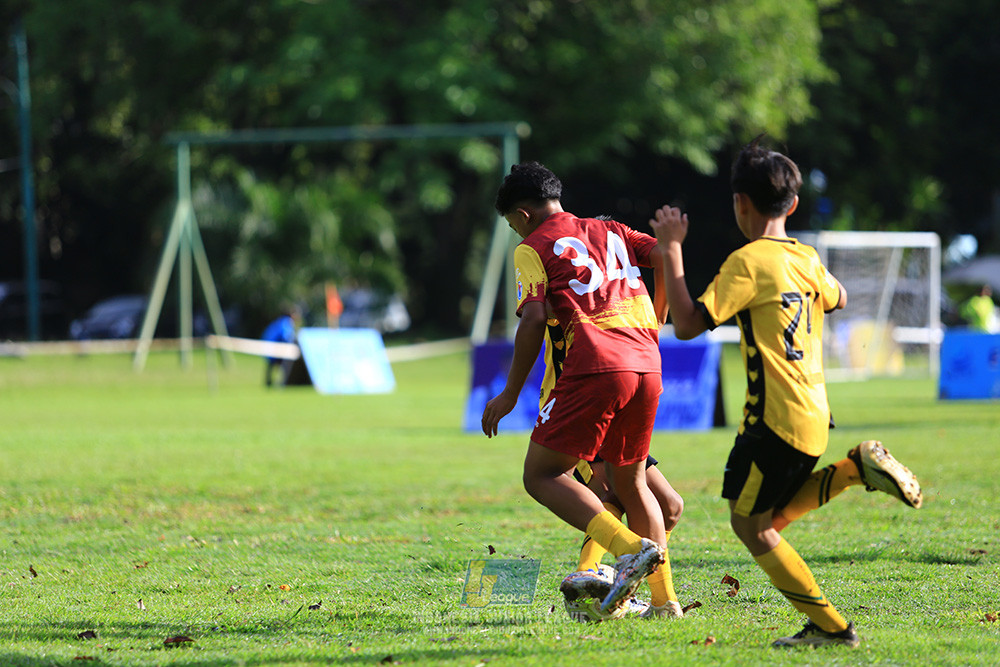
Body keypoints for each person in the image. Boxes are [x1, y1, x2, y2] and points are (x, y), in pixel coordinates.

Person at [649, 136, 923, 648]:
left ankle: (832, 628)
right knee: (765, 520)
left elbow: (685, 324)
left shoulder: (748, 262)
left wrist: (671, 248)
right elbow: (838, 297)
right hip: (816, 415)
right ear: (793, 205)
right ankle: (850, 471)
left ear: (739, 204)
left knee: (751, 528)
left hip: (773, 421)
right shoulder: (806, 258)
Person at [481, 161, 667, 617]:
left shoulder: (532, 246)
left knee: (541, 475)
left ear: (521, 216)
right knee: (632, 480)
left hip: (595, 366)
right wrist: (657, 319)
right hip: (647, 361)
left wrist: (509, 394)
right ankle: (666, 603)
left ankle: (626, 550)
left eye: (510, 225)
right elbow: (664, 254)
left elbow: (533, 319)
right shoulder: (610, 230)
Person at [261, 304, 301, 387]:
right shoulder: (286, 322)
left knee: (272, 366)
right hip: (275, 348)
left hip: (268, 347)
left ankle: (269, 382)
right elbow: (286, 336)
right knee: (285, 364)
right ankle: (283, 382)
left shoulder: (279, 321)